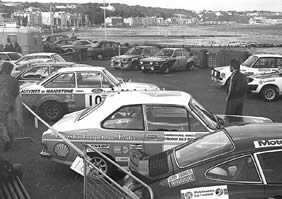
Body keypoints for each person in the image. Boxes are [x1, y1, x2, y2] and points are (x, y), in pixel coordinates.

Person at [0, 62, 20, 151]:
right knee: (8, 124)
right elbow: (16, 93)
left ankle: (6, 140)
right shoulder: (14, 80)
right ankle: (9, 139)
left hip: (1, 105)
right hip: (9, 105)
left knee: (2, 124)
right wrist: (10, 101)